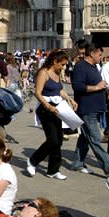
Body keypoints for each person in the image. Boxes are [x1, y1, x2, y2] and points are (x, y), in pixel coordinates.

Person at [27, 49, 77, 180]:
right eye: (62, 64)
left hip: (58, 108)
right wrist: (48, 106)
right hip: (46, 109)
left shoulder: (57, 74)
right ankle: (33, 160)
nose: (63, 67)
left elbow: (60, 90)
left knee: (59, 140)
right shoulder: (44, 73)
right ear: (55, 61)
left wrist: (70, 99)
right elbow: (37, 92)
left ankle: (53, 170)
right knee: (52, 139)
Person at [71, 43, 109, 175]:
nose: (101, 57)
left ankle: (77, 163)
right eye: (99, 55)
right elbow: (77, 86)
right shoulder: (80, 67)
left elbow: (97, 84)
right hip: (87, 108)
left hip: (95, 108)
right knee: (95, 139)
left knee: (85, 137)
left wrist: (105, 88)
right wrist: (97, 87)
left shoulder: (94, 67)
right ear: (92, 54)